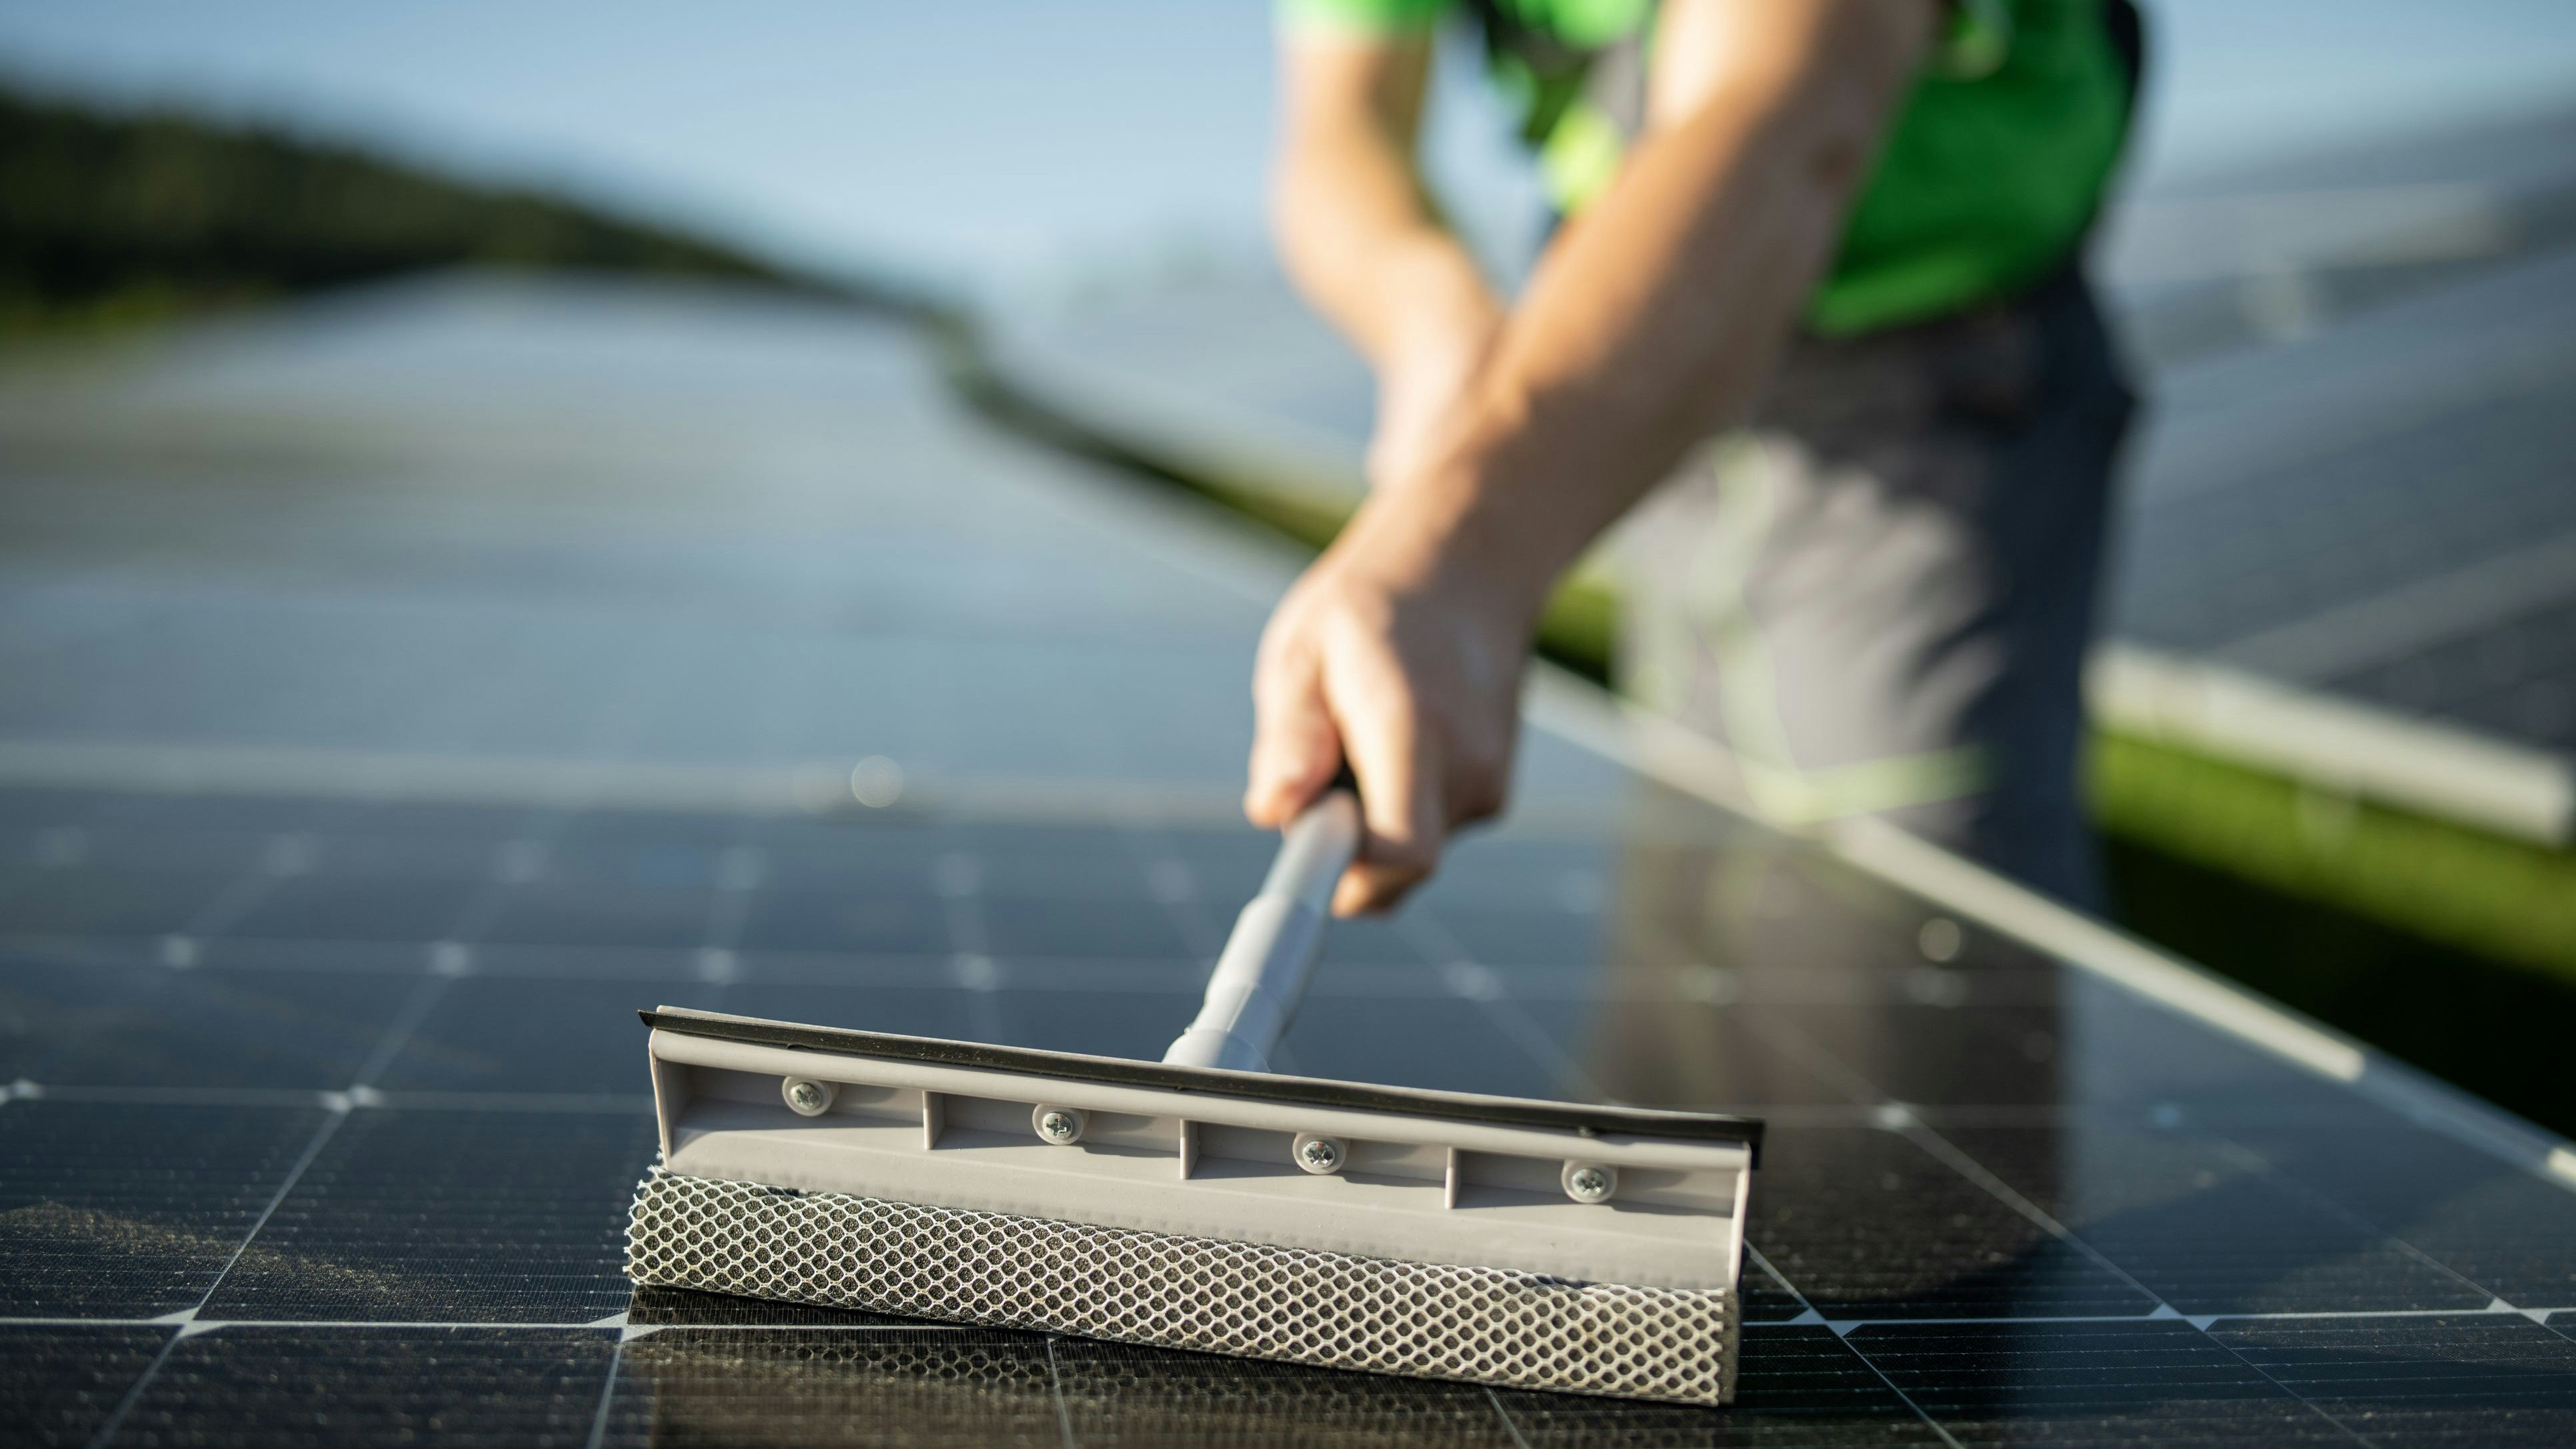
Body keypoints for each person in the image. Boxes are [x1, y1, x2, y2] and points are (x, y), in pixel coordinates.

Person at [1246, 0, 2140, 915]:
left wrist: (1467, 541)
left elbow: (1777, 115)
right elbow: (1339, 130)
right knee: (1699, 876)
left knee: (1896, 922)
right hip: (1612, 385)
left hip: (1926, 400)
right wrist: (1433, 325)